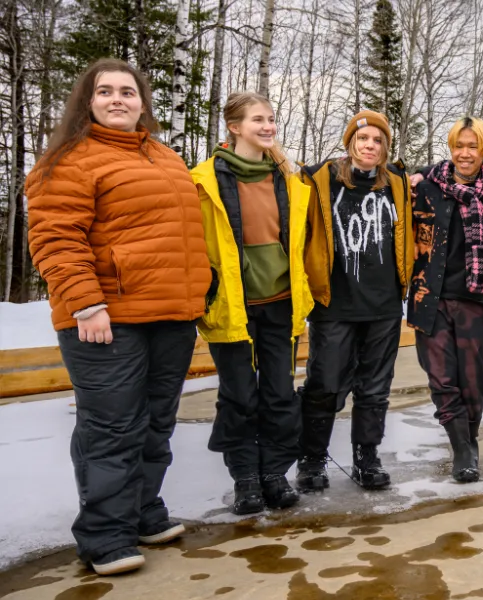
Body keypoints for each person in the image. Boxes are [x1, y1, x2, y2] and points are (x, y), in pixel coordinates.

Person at [26, 58, 210, 575]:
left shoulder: (165, 158)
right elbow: (56, 238)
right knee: (112, 427)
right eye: (105, 91)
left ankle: (142, 511)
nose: (118, 100)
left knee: (155, 423)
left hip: (170, 315)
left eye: (128, 92)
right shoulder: (68, 160)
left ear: (142, 102)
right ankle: (105, 534)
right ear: (88, 102)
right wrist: (86, 302)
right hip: (105, 318)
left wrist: (199, 294)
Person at [192, 92, 312, 515]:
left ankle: (275, 473)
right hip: (231, 305)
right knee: (240, 395)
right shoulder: (202, 181)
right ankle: (245, 476)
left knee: (280, 393)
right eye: (258, 119)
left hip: (281, 302)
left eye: (271, 119)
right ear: (234, 126)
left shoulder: (290, 180)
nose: (267, 127)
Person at [295, 110, 414, 492]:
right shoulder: (320, 179)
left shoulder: (396, 183)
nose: (370, 146)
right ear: (350, 143)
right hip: (335, 304)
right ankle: (312, 458)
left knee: (375, 387)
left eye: (378, 141)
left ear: (385, 148)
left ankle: (367, 456)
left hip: (383, 305)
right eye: (363, 139)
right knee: (325, 383)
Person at [409, 117, 483, 483]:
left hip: (475, 296)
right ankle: (461, 449)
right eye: (458, 146)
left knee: (472, 377)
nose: (465, 154)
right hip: (428, 295)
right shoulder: (426, 187)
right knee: (440, 377)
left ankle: (471, 436)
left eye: (473, 147)